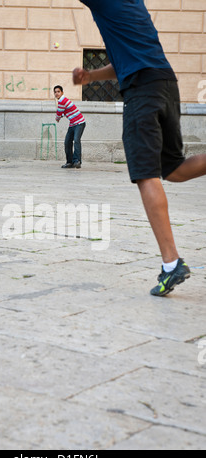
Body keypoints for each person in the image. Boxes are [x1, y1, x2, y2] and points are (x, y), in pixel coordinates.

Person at [73, 0, 206, 296]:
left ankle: (171, 264)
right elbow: (127, 59)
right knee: (172, 169)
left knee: (146, 173)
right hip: (165, 83)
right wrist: (91, 76)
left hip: (142, 92)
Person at [54, 85, 86, 169]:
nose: (56, 93)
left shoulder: (62, 100)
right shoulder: (62, 101)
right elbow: (65, 112)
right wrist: (60, 116)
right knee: (67, 142)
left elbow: (59, 112)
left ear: (62, 92)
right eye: (55, 92)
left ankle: (77, 161)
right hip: (72, 124)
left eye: (58, 91)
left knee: (76, 140)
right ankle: (70, 162)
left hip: (80, 123)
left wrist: (57, 118)